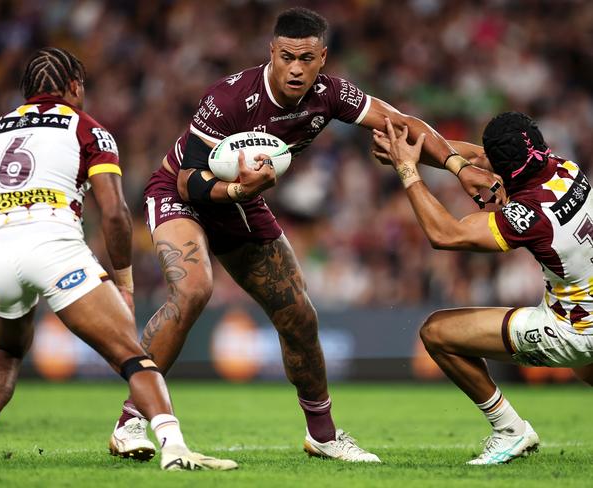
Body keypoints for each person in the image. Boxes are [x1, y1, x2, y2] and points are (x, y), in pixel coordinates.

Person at [109, 7, 505, 463]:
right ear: (271, 54)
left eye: (307, 58)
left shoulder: (330, 94)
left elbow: (402, 126)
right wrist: (238, 186)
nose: (296, 68)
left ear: (323, 59)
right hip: (182, 195)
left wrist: (458, 167)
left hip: (241, 201)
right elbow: (187, 179)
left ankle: (323, 434)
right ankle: (131, 423)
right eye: (287, 56)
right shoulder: (230, 98)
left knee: (299, 315)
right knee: (194, 288)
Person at [0, 47, 236, 471]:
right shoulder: (88, 128)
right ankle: (174, 447)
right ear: (74, 87)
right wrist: (124, 282)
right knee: (132, 355)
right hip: (54, 246)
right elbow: (115, 214)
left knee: (7, 349)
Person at [372, 112, 593, 465]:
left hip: (572, 329)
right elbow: (473, 157)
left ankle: (510, 429)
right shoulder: (564, 167)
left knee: (436, 332)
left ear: (503, 169)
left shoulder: (532, 215)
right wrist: (449, 162)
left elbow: (446, 235)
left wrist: (407, 169)